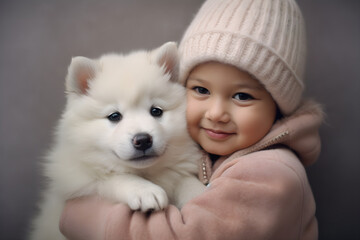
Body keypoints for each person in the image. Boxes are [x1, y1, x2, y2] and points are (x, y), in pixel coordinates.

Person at [60, 0, 323, 239]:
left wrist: (79, 216)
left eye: (242, 96)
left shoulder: (272, 174)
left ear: (278, 105)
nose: (216, 113)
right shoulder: (212, 152)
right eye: (201, 90)